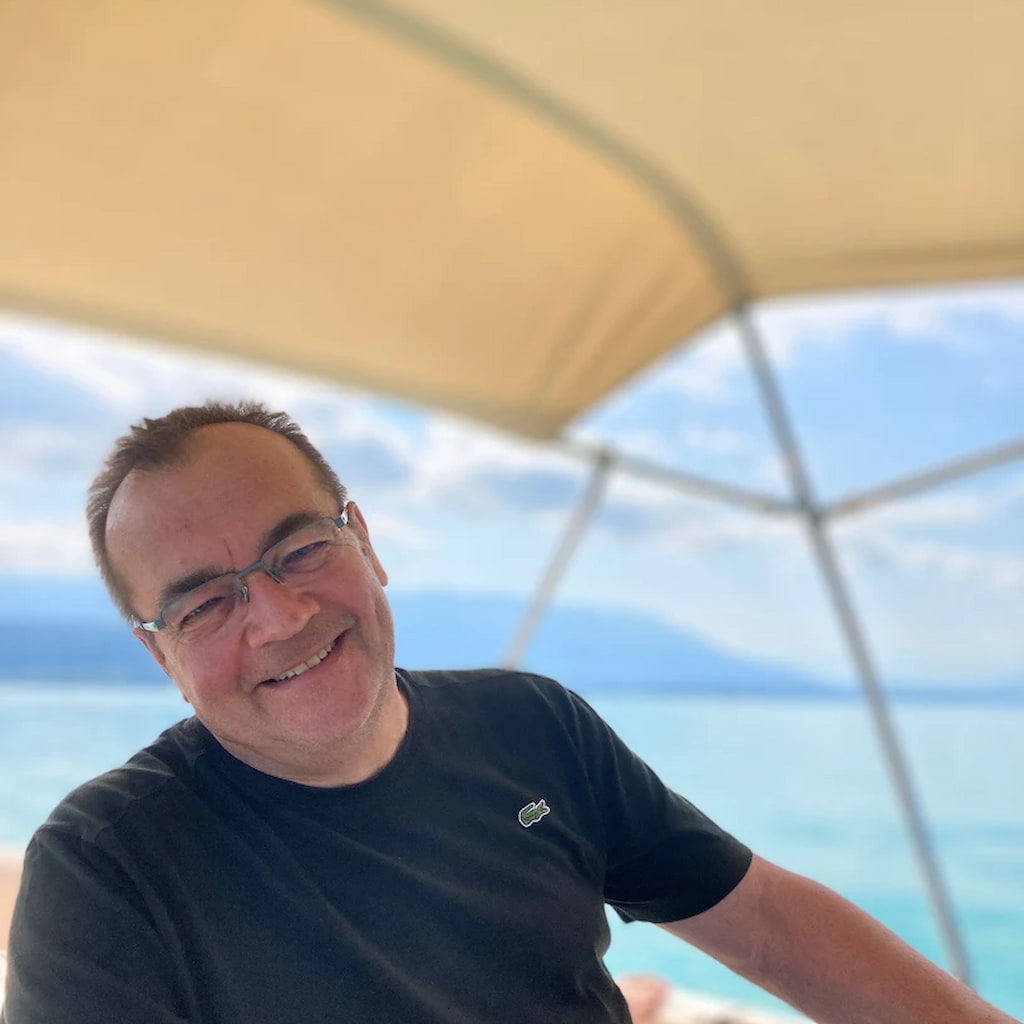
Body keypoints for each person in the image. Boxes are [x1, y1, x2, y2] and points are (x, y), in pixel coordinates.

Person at [1, 401, 1017, 1024]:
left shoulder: (532, 730)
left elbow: (762, 921)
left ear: (364, 541)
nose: (278, 616)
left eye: (299, 549)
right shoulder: (109, 867)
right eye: (205, 603)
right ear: (163, 656)